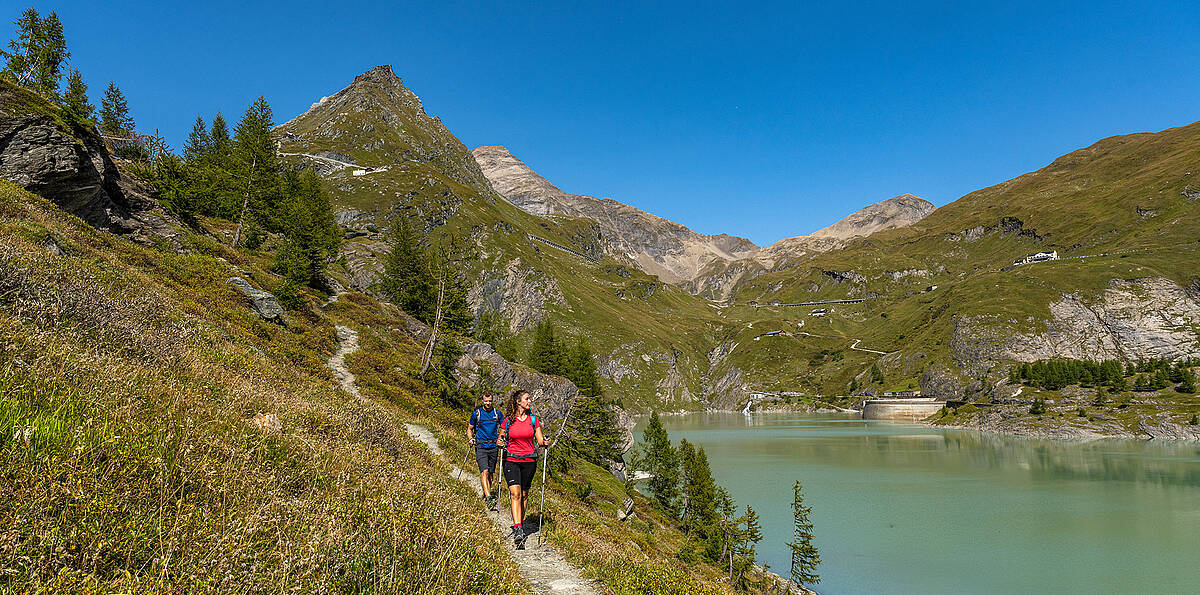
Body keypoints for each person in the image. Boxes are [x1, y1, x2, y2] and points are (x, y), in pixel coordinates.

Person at [498, 389, 547, 548]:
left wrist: (546, 442)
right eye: (527, 399)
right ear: (518, 402)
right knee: (515, 493)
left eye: (529, 399)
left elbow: (540, 441)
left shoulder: (533, 420)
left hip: (529, 461)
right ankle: (518, 527)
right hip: (511, 460)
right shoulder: (508, 421)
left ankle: (521, 523)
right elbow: (501, 437)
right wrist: (499, 442)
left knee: (524, 494)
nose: (529, 401)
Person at [467, 390, 505, 509]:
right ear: (482, 401)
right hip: (481, 446)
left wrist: (501, 438)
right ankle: (489, 497)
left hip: (493, 446)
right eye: (486, 401)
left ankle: (486, 491)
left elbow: (504, 427)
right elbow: (470, 428)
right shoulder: (477, 413)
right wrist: (470, 438)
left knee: (491, 473)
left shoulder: (497, 413)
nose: (488, 403)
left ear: (492, 401)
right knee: (484, 471)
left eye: (490, 401)